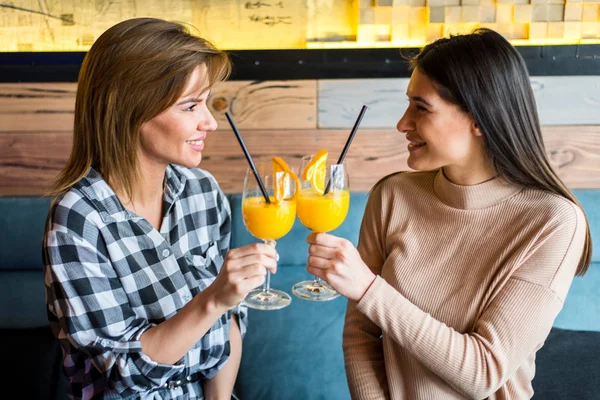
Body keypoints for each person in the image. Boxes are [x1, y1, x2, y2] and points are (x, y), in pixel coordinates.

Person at [305, 28, 592, 399]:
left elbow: (483, 372)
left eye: (421, 108)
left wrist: (368, 289)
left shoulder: (552, 222)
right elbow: (360, 335)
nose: (402, 123)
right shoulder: (393, 195)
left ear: (478, 118)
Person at [42, 17, 277, 400]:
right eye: (190, 106)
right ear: (131, 110)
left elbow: (228, 322)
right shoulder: (77, 219)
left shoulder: (203, 192)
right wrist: (213, 298)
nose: (210, 123)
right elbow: (124, 373)